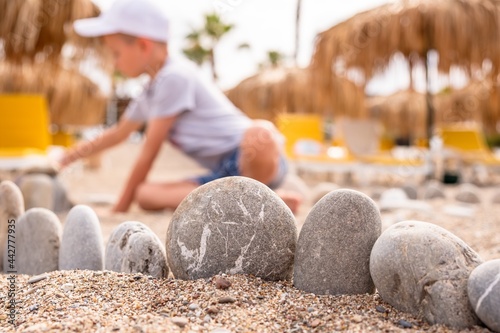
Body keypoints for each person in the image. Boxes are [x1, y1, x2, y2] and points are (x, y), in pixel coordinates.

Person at [60, 0, 301, 213]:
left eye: (116, 54)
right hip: (223, 174)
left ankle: (256, 197)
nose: (114, 63)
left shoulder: (175, 77)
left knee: (260, 134)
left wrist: (120, 207)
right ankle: (258, 201)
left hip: (251, 157)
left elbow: (149, 152)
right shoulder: (149, 92)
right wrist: (69, 157)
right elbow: (117, 134)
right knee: (144, 195)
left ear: (143, 45)